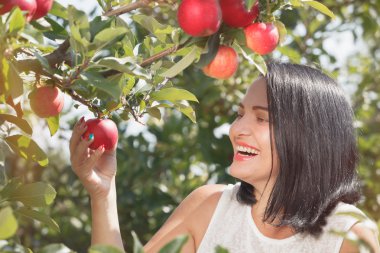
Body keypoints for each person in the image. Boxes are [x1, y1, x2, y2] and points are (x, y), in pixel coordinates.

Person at [69, 62, 380, 253]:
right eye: (239, 114)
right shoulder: (208, 207)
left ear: (309, 136)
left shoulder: (350, 236)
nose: (236, 129)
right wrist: (103, 193)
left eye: (261, 119)